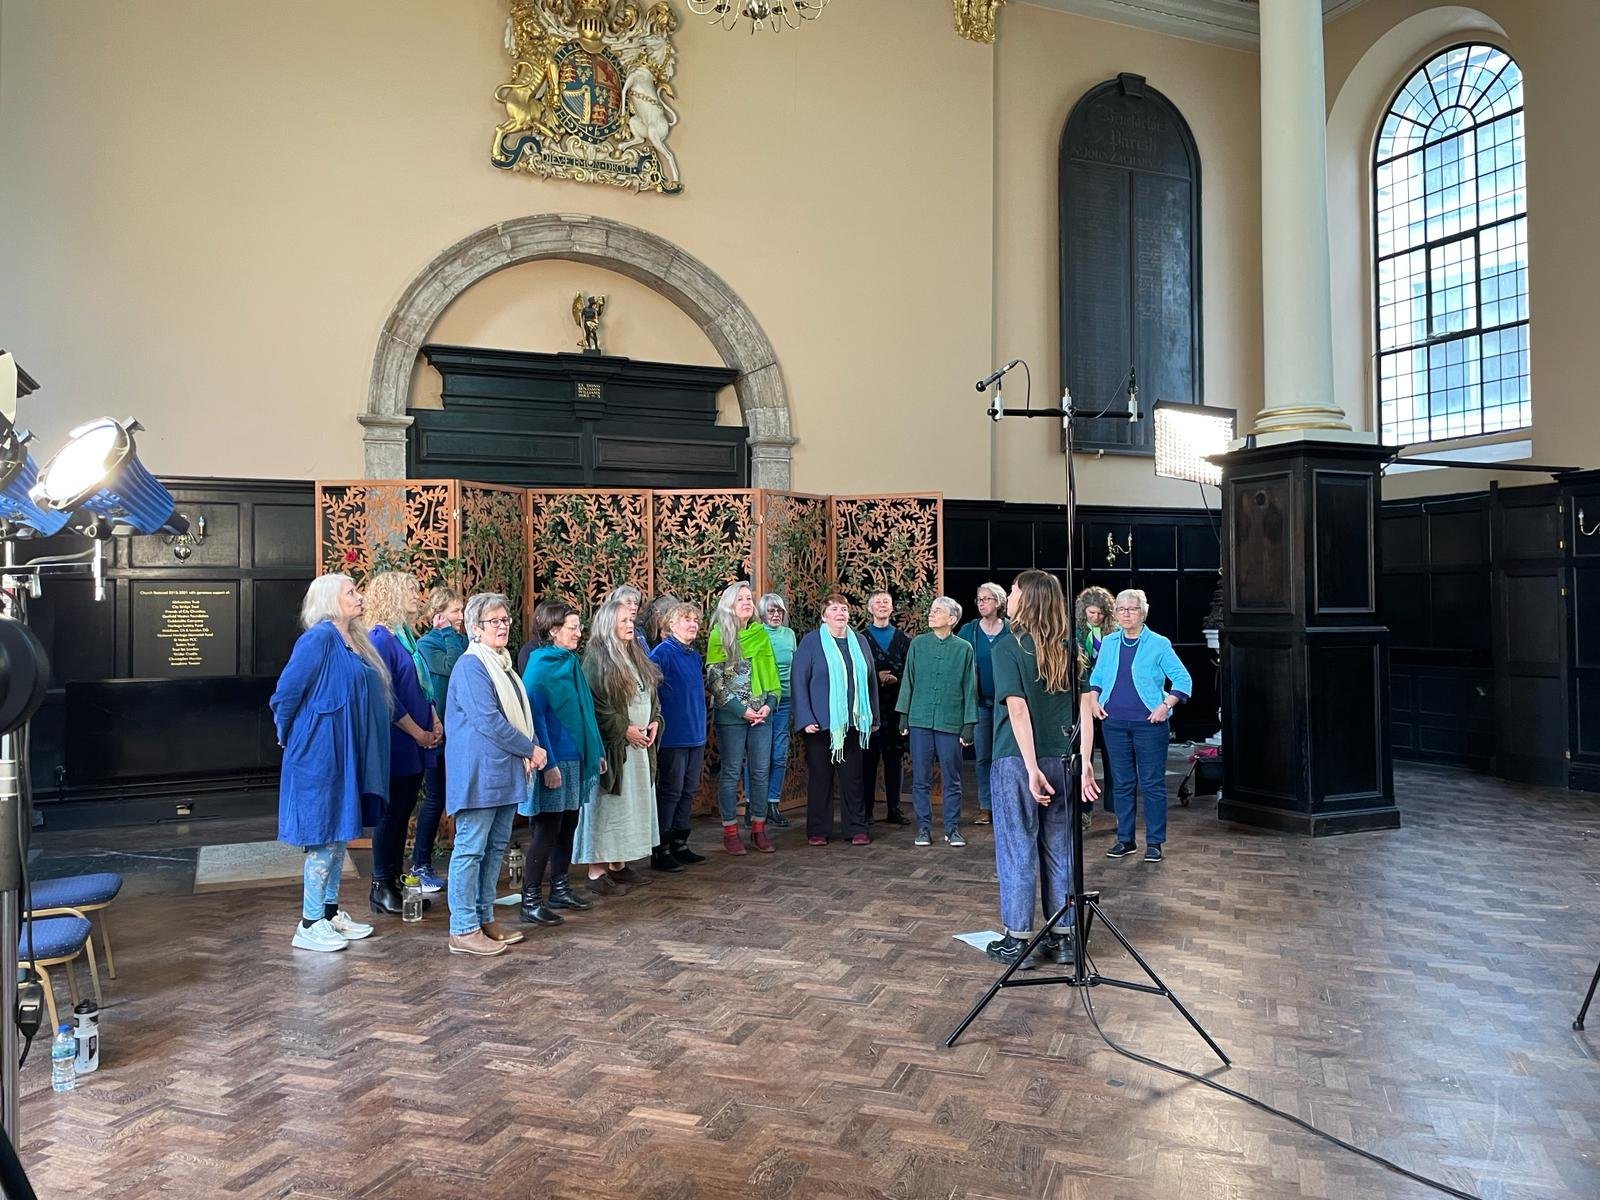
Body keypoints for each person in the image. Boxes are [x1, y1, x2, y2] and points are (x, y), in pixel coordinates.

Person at [270, 574, 388, 953]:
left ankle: (330, 912)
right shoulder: (319, 637)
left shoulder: (352, 641)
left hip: (343, 751)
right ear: (330, 600)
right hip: (319, 752)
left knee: (338, 833)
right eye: (350, 592)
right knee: (323, 835)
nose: (358, 596)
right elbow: (287, 692)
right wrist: (286, 734)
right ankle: (309, 923)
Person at [985, 570, 1079, 969]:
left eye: (1013, 591)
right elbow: (1086, 709)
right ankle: (1063, 939)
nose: (1009, 595)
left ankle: (1018, 941)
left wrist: (1028, 768)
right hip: (1063, 759)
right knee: (1059, 848)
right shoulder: (1069, 646)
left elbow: (1017, 709)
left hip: (1017, 760)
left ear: (1029, 600)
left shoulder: (1007, 646)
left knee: (1017, 847)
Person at [444, 592, 546, 956]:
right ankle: (463, 928)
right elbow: (488, 721)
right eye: (494, 621)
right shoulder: (471, 666)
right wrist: (530, 749)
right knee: (470, 850)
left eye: (505, 620)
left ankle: (484, 918)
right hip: (480, 773)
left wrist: (527, 748)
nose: (502, 626)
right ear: (474, 629)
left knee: (494, 849)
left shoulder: (502, 663)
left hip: (504, 773)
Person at [1086, 588, 1192, 864]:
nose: (1126, 614)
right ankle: (1125, 839)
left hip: (1149, 725)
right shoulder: (1109, 643)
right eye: (1121, 609)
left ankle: (1155, 843)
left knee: (1152, 784)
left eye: (1132, 609)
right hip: (1114, 724)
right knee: (1121, 783)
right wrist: (1095, 700)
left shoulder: (1159, 644)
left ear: (1143, 612)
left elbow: (1183, 680)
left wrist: (1164, 706)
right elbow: (1097, 676)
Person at [519, 599, 606, 925]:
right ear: (553, 630)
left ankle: (560, 887)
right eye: (572, 628)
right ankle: (530, 900)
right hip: (554, 762)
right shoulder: (540, 667)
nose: (578, 633)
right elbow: (535, 722)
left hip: (575, 758)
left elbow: (584, 713)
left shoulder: (569, 661)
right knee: (547, 830)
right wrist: (549, 765)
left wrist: (594, 751)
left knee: (568, 824)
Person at [362, 572, 443, 919]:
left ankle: (395, 881)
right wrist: (418, 732)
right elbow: (387, 697)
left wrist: (435, 719)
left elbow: (422, 687)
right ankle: (381, 885)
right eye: (410, 589)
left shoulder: (407, 636)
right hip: (398, 741)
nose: (417, 594)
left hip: (418, 741)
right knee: (391, 816)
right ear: (391, 594)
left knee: (402, 812)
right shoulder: (380, 637)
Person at [578, 594, 663, 894]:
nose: (630, 624)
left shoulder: (636, 654)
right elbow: (596, 707)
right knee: (610, 807)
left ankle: (619, 863)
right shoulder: (597, 660)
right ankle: (596, 871)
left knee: (630, 806)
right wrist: (625, 730)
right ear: (607, 623)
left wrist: (654, 721)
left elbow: (650, 696)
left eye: (631, 619)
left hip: (640, 746)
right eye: (624, 620)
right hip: (616, 749)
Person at [792, 594, 879, 846]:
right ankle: (818, 830)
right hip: (819, 725)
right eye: (833, 609)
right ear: (824, 616)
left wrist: (872, 716)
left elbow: (870, 681)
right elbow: (799, 681)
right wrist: (805, 718)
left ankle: (857, 828)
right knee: (821, 777)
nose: (840, 612)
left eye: (844, 608)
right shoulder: (811, 642)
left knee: (853, 778)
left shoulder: (860, 641)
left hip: (853, 723)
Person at [705, 581, 780, 856]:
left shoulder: (761, 634)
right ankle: (730, 832)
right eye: (741, 599)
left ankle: (759, 829)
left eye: (750, 598)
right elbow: (715, 680)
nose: (747, 603)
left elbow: (772, 677)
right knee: (732, 772)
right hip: (733, 716)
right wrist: (741, 710)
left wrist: (770, 704)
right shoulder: (719, 635)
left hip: (763, 715)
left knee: (760, 773)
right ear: (729, 605)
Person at [897, 596, 977, 848]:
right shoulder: (918, 644)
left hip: (950, 722)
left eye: (938, 611)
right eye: (931, 610)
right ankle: (923, 828)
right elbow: (908, 680)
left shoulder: (964, 648)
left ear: (952, 619)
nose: (931, 614)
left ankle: (952, 829)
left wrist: (969, 724)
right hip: (920, 720)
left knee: (952, 778)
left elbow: (970, 687)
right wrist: (904, 715)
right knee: (920, 778)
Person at [412, 586, 466, 892]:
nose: (460, 616)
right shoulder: (427, 643)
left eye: (461, 610)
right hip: (439, 734)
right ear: (438, 615)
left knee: (457, 798)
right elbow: (451, 667)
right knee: (435, 799)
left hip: (460, 734)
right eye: (455, 611)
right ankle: (420, 864)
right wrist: (447, 633)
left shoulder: (460, 640)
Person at [648, 600, 708, 870]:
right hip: (673, 736)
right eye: (686, 619)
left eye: (695, 620)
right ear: (671, 625)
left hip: (696, 734)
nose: (693, 624)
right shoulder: (662, 653)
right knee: (670, 791)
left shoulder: (694, 655)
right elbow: (649, 691)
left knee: (688, 790)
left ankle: (680, 842)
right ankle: (661, 847)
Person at [958, 582, 1011, 825]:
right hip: (980, 703)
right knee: (983, 757)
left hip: (1008, 704)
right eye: (979, 599)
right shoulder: (969, 631)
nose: (981, 603)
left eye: (987, 599)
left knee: (1007, 756)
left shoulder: (1011, 630)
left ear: (999, 602)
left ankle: (1006, 804)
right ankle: (985, 806)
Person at [742, 592, 796, 828]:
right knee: (756, 755)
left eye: (779, 611)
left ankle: (773, 802)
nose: (776, 615)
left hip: (785, 700)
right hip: (761, 701)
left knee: (779, 753)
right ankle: (751, 803)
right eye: (771, 611)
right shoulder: (756, 633)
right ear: (762, 614)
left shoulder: (790, 635)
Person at [860, 591, 911, 827]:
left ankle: (894, 809)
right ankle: (867, 810)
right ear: (869, 609)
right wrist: (876, 677)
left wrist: (895, 678)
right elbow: (856, 672)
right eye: (877, 602)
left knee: (895, 760)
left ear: (892, 609)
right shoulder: (860, 639)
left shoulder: (903, 639)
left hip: (896, 708)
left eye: (886, 602)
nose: (882, 606)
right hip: (869, 708)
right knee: (868, 760)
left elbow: (911, 672)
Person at [1074, 586, 1118, 818]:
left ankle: (1115, 808)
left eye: (1100, 613)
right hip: (1082, 698)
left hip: (1108, 700)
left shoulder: (1115, 633)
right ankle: (1084, 811)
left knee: (1114, 756)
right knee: (1084, 755)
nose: (1096, 617)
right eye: (1091, 613)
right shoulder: (1075, 633)